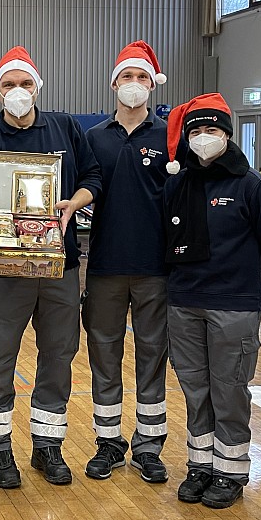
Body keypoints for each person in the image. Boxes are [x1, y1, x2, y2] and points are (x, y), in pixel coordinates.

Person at [0, 45, 102, 488]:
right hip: (6, 270)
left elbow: (93, 179)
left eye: (25, 84)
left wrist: (72, 205)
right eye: (9, 85)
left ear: (38, 87)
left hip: (58, 267)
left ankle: (48, 447)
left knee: (58, 356)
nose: (18, 91)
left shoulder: (65, 128)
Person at [161, 93, 261, 509]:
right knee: (195, 389)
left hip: (234, 304)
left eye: (211, 130)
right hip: (184, 301)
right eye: (195, 130)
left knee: (229, 390)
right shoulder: (176, 183)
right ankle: (201, 465)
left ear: (227, 135)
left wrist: (237, 278)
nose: (203, 137)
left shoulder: (253, 186)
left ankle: (230, 471)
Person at [83, 40, 175, 484]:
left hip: (156, 268)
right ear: (114, 84)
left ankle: (149, 445)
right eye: (126, 77)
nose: (134, 85)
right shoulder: (94, 137)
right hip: (103, 266)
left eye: (142, 77)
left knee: (152, 354)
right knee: (104, 353)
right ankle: (108, 442)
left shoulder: (169, 136)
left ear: (152, 84)